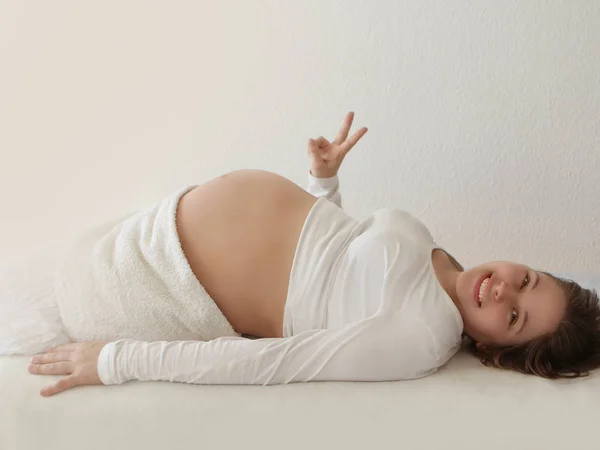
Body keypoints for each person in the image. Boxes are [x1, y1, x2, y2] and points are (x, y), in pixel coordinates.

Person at [23, 112, 600, 397]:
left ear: (497, 349)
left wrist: (118, 361)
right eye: (526, 280)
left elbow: (279, 361)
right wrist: (323, 184)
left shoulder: (424, 335)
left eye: (515, 316)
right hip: (151, 233)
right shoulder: (441, 263)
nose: (503, 290)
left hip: (155, 288)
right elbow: (338, 269)